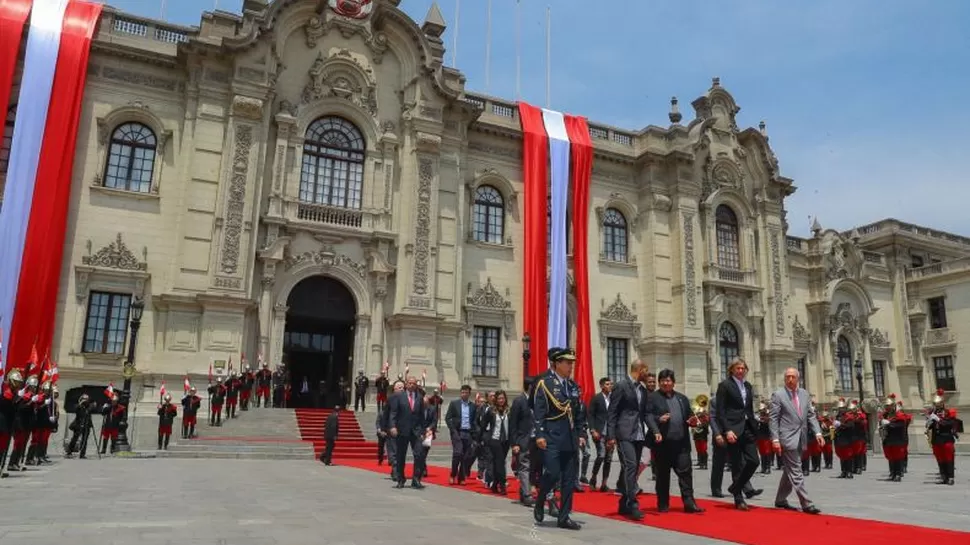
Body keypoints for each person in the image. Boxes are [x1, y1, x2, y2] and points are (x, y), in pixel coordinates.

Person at [533, 347, 586, 530]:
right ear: (556, 364)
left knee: (569, 480)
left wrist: (581, 434)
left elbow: (579, 413)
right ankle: (541, 499)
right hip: (552, 437)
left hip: (570, 438)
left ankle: (564, 517)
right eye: (567, 363)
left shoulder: (572, 386)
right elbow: (539, 413)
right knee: (553, 473)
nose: (570, 366)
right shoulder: (545, 384)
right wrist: (539, 434)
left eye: (572, 363)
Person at [644, 369, 704, 514]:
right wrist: (659, 421)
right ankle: (663, 503)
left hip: (681, 443)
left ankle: (689, 503)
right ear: (659, 382)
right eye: (663, 380)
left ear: (673, 382)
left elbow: (689, 415)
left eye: (668, 380)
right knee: (662, 476)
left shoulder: (682, 398)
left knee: (686, 474)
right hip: (663, 444)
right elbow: (648, 415)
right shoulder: (653, 397)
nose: (666, 383)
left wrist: (693, 421)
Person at [768, 367, 822, 514]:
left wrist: (818, 433)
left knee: (789, 470)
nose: (790, 379)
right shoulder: (778, 395)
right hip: (786, 438)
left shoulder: (804, 394)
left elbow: (810, 415)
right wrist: (775, 439)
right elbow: (773, 419)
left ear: (798, 378)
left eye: (793, 377)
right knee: (796, 469)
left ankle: (780, 499)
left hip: (801, 437)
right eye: (787, 377)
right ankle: (806, 503)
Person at [713, 357, 759, 511]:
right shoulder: (725, 385)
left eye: (743, 368)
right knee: (737, 465)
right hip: (732, 429)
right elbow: (720, 411)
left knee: (754, 461)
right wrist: (726, 430)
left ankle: (735, 487)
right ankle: (738, 499)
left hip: (747, 427)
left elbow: (749, 408)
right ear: (731, 369)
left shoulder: (748, 386)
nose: (741, 371)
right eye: (738, 368)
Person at [606, 360, 649, 521]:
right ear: (639, 369)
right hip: (624, 432)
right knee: (631, 465)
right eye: (646, 370)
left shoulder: (643, 390)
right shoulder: (622, 385)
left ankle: (623, 501)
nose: (648, 374)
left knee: (631, 467)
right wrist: (610, 435)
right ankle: (633, 503)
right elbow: (612, 411)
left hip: (638, 433)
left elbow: (644, 413)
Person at [389, 376, 431, 489]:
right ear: (406, 384)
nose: (412, 385)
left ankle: (416, 479)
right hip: (402, 430)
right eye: (410, 383)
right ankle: (401, 479)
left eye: (414, 383)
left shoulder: (419, 397)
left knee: (419, 455)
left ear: (416, 385)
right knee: (400, 456)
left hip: (416, 431)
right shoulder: (399, 396)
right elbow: (393, 413)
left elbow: (422, 416)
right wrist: (392, 426)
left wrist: (423, 431)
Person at [509, 376, 536, 506]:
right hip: (522, 440)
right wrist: (514, 443)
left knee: (531, 468)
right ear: (530, 387)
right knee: (524, 467)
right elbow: (512, 424)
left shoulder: (536, 401)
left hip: (534, 440)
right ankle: (527, 494)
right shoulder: (519, 401)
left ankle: (523, 492)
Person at [927, 388, 962, 485]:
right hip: (936, 440)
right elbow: (930, 427)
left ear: (942, 403)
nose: (936, 406)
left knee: (949, 458)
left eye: (938, 404)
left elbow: (949, 424)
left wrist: (938, 419)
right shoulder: (933, 413)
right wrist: (929, 421)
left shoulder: (949, 412)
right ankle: (943, 476)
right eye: (935, 404)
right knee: (940, 459)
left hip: (946, 439)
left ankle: (950, 477)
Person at [444, 384, 477, 485]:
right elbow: (447, 418)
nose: (464, 394)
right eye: (462, 392)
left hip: (468, 433)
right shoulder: (454, 404)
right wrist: (453, 430)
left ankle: (461, 477)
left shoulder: (473, 406)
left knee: (465, 457)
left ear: (469, 394)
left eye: (466, 393)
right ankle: (453, 474)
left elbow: (474, 421)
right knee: (457, 454)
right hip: (457, 432)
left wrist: (474, 434)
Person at [586, 377, 613, 491]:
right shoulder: (596, 398)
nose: (610, 386)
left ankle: (604, 483)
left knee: (608, 458)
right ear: (602, 386)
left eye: (611, 384)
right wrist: (592, 430)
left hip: (610, 433)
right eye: (607, 384)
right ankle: (593, 477)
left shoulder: (613, 399)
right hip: (599, 432)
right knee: (601, 455)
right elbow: (590, 414)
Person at [879, 393, 910, 482]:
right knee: (890, 457)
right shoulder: (885, 415)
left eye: (889, 406)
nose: (887, 408)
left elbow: (900, 425)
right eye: (886, 406)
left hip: (897, 439)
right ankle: (892, 473)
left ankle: (898, 474)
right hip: (888, 439)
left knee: (898, 457)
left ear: (893, 406)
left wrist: (889, 424)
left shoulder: (899, 414)